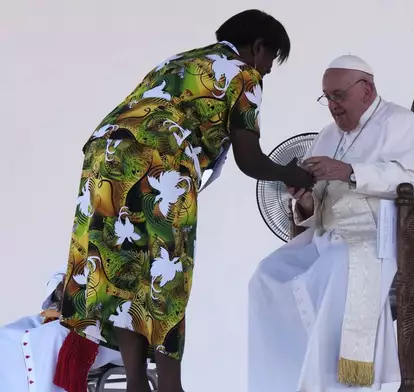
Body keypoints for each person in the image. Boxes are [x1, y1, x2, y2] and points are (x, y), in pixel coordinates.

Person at [53, 9, 314, 392]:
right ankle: (171, 387)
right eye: (272, 59)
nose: (269, 71)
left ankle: (137, 383)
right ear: (258, 47)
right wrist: (291, 174)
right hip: (160, 161)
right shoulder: (243, 73)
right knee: (165, 271)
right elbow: (249, 160)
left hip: (104, 158)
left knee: (124, 267)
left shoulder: (179, 61)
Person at [248, 54, 414, 392]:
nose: (332, 105)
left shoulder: (400, 123)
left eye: (338, 96)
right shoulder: (328, 134)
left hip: (380, 238)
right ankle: (283, 380)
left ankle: (330, 385)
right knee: (268, 273)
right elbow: (320, 203)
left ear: (367, 90)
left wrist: (351, 171)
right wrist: (303, 197)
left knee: (334, 268)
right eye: (326, 97)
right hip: (328, 235)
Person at [0, 266, 122, 392]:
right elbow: (61, 273)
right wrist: (60, 291)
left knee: (56, 335)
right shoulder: (87, 248)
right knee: (5, 339)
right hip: (64, 314)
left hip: (109, 322)